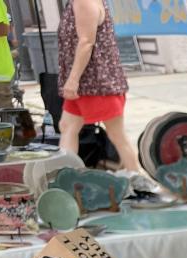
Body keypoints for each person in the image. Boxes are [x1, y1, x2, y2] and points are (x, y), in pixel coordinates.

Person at [57, 0, 139, 172]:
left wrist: (72, 79)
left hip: (96, 83)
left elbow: (86, 42)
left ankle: (137, 176)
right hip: (87, 82)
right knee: (67, 126)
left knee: (117, 134)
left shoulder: (84, 2)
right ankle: (66, 175)